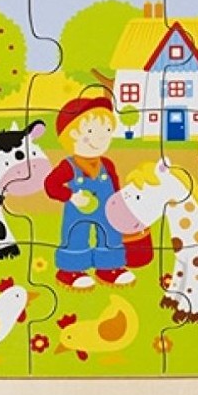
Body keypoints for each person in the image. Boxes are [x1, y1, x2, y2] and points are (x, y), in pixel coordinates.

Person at [44, 97, 135, 289]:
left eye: (107, 131)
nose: (101, 138)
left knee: (110, 233)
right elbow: (50, 185)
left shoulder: (107, 164)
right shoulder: (68, 166)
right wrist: (70, 196)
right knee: (75, 234)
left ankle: (109, 268)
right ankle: (70, 270)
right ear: (72, 135)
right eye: (91, 132)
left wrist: (121, 205)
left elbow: (115, 187)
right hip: (78, 210)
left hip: (107, 210)